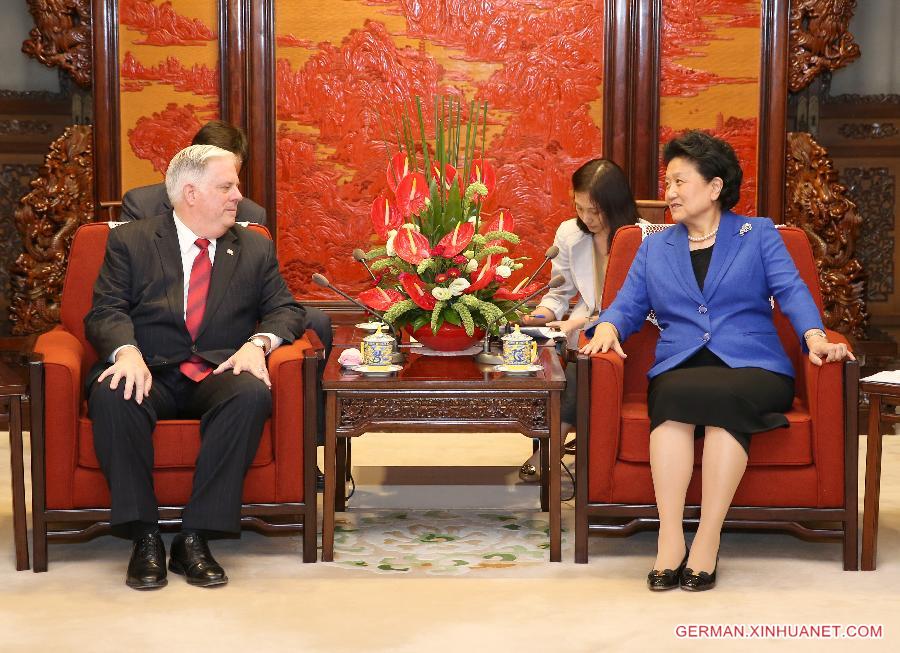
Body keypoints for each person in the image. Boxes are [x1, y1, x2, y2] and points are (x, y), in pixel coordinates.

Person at [582, 131, 854, 591]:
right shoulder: (654, 246)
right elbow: (626, 305)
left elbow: (791, 290)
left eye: (680, 181)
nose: (669, 192)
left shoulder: (758, 234)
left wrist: (814, 336)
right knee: (670, 396)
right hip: (682, 364)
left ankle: (707, 539)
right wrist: (607, 327)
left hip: (754, 366)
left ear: (714, 187)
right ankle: (670, 539)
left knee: (725, 399)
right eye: (667, 182)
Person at [86, 144, 307, 590]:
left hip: (216, 372)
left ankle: (196, 537)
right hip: (149, 368)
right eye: (227, 187)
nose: (237, 197)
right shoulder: (131, 240)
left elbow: (287, 311)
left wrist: (257, 344)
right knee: (113, 391)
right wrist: (126, 351)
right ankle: (143, 534)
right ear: (191, 192)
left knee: (251, 394)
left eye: (236, 187)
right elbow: (105, 311)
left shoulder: (253, 248)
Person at [123, 120, 333, 484]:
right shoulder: (142, 206)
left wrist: (258, 341)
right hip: (161, 321)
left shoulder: (250, 216)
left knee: (314, 322)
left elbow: (264, 287)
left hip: (229, 316)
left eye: (235, 175)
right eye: (222, 180)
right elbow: (120, 285)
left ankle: (304, 448)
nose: (233, 192)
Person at [517, 159, 642, 482]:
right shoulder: (571, 234)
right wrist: (539, 316)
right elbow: (559, 295)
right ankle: (553, 443)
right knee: (565, 361)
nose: (586, 218)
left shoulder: (640, 237)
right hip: (584, 332)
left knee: (583, 360)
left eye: (595, 211)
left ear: (615, 206)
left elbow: (637, 303)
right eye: (580, 207)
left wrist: (577, 323)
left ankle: (550, 448)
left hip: (632, 331)